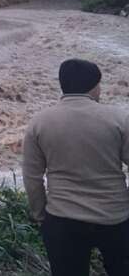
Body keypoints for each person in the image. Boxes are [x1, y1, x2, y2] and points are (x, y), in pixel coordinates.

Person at [22, 59, 129, 275]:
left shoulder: (40, 122)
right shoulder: (120, 118)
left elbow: (32, 177)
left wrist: (41, 214)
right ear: (94, 85)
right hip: (114, 217)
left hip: (63, 219)